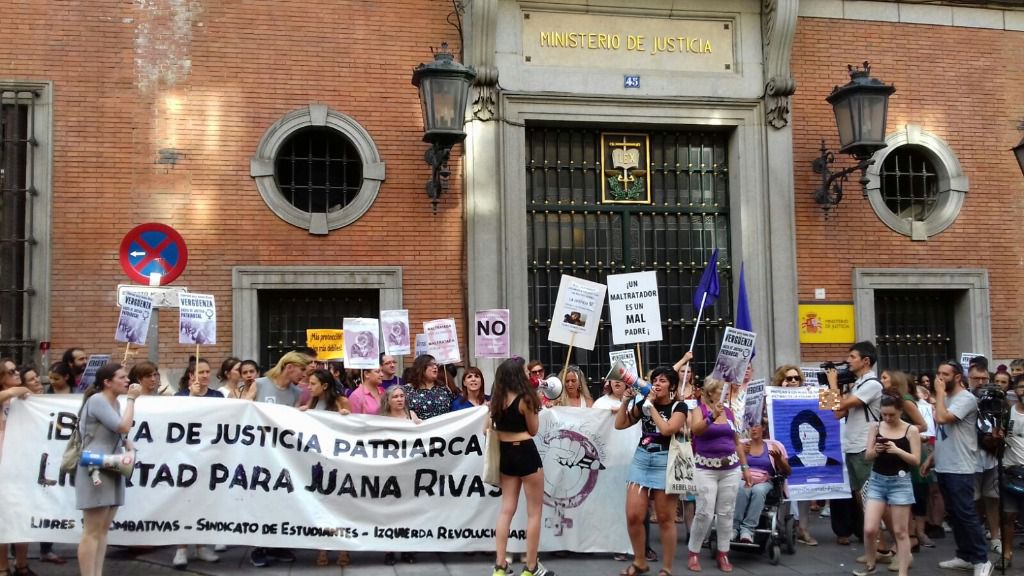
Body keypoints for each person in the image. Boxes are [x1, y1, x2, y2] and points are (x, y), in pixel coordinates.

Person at [921, 360, 992, 576]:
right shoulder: (948, 398)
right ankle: (965, 556)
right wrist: (932, 458)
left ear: (958, 377)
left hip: (960, 467)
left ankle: (981, 559)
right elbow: (946, 435)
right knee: (954, 514)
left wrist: (939, 394)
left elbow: (942, 419)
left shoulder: (966, 399)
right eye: (938, 373)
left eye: (945, 374)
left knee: (966, 513)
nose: (939, 378)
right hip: (944, 464)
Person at [614, 365, 685, 576]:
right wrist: (626, 400)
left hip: (665, 461)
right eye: (655, 380)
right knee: (633, 515)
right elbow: (620, 424)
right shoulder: (642, 404)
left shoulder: (679, 407)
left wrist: (650, 405)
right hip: (641, 460)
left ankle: (667, 567)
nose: (657, 384)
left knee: (665, 518)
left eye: (663, 381)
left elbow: (667, 429)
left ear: (672, 385)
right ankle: (639, 562)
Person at [75, 362, 142, 576]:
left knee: (103, 529)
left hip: (112, 465)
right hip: (95, 467)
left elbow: (120, 430)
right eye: (122, 377)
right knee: (92, 530)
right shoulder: (98, 400)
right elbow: (122, 425)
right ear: (107, 382)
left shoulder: (114, 403)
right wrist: (131, 399)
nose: (127, 381)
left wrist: (127, 441)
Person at [248, 352, 309, 568]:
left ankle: (278, 544)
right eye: (302, 370)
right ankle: (259, 547)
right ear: (290, 367)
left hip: (282, 456)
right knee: (261, 499)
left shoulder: (295, 392)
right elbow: (242, 411)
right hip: (258, 453)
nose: (304, 375)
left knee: (282, 499)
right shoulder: (260, 384)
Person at [490, 357, 550, 576]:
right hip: (525, 450)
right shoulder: (526, 399)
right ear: (517, 374)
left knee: (506, 509)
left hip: (506, 454)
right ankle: (531, 567)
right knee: (534, 512)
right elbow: (533, 430)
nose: (528, 374)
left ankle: (499, 565)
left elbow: (488, 428)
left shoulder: (496, 400)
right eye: (525, 371)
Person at [687, 377, 751, 573]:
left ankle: (723, 552)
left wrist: (745, 467)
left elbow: (737, 441)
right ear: (711, 392)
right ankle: (694, 552)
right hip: (706, 468)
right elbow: (695, 430)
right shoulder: (700, 410)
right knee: (705, 512)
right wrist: (711, 417)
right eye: (720, 390)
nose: (724, 392)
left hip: (730, 468)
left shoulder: (730, 412)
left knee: (726, 512)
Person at [856, 391, 921, 576]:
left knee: (901, 531)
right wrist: (876, 451)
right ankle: (870, 564)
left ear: (900, 411)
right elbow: (867, 456)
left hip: (900, 482)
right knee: (869, 529)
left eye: (892, 414)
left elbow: (915, 460)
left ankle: (902, 572)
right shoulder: (875, 427)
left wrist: (896, 450)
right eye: (884, 414)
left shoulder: (911, 430)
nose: (888, 418)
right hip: (877, 479)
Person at [826, 341, 883, 547]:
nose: (848, 362)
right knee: (860, 497)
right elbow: (834, 413)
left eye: (852, 357)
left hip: (863, 447)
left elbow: (840, 404)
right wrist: (830, 386)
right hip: (852, 446)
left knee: (870, 497)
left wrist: (833, 384)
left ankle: (883, 544)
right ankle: (875, 545)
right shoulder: (857, 384)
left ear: (865, 361)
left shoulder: (872, 385)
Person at [171, 358, 222, 569]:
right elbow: (178, 420)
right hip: (185, 455)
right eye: (200, 372)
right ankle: (181, 549)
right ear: (191, 375)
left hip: (209, 455)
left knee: (204, 501)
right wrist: (192, 396)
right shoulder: (180, 396)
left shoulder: (217, 396)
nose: (205, 375)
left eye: (207, 371)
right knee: (183, 502)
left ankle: (201, 547)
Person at [768, 364, 819, 546]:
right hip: (782, 452)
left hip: (803, 452)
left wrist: (829, 385)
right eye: (788, 378)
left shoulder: (808, 394)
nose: (793, 382)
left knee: (805, 490)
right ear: (780, 380)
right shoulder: (770, 398)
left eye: (796, 378)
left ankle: (803, 530)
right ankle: (781, 528)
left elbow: (833, 406)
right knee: (783, 489)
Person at [733, 416, 791, 543]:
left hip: (765, 480)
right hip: (744, 477)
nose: (753, 429)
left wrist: (778, 460)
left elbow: (787, 471)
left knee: (758, 491)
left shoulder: (774, 446)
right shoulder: (742, 445)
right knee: (743, 490)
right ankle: (734, 528)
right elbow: (729, 463)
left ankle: (747, 530)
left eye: (757, 426)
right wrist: (740, 453)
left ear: (763, 428)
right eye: (751, 426)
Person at [1, 358, 34, 576]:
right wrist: (16, 390)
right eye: (11, 371)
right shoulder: (8, 395)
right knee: (2, 516)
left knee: (23, 513)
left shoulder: (25, 397)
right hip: (3, 460)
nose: (16, 374)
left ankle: (22, 564)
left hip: (23, 460)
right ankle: (3, 566)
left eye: (16, 370)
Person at [966, 363, 1001, 554]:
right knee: (973, 500)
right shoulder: (965, 399)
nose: (980, 382)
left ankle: (995, 536)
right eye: (976, 379)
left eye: (984, 379)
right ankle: (976, 535)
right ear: (968, 379)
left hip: (991, 457)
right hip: (970, 457)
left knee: (992, 498)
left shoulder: (996, 400)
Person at [997, 374, 1024, 567]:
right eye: (1021, 387)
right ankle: (1006, 554)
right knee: (1008, 515)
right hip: (1011, 470)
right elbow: (1000, 436)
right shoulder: (1008, 411)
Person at [402, 354, 457, 420]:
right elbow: (399, 411)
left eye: (436, 365)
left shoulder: (443, 388)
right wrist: (410, 414)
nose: (435, 367)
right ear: (421, 367)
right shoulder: (407, 390)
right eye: (431, 364)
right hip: (421, 429)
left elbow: (454, 408)